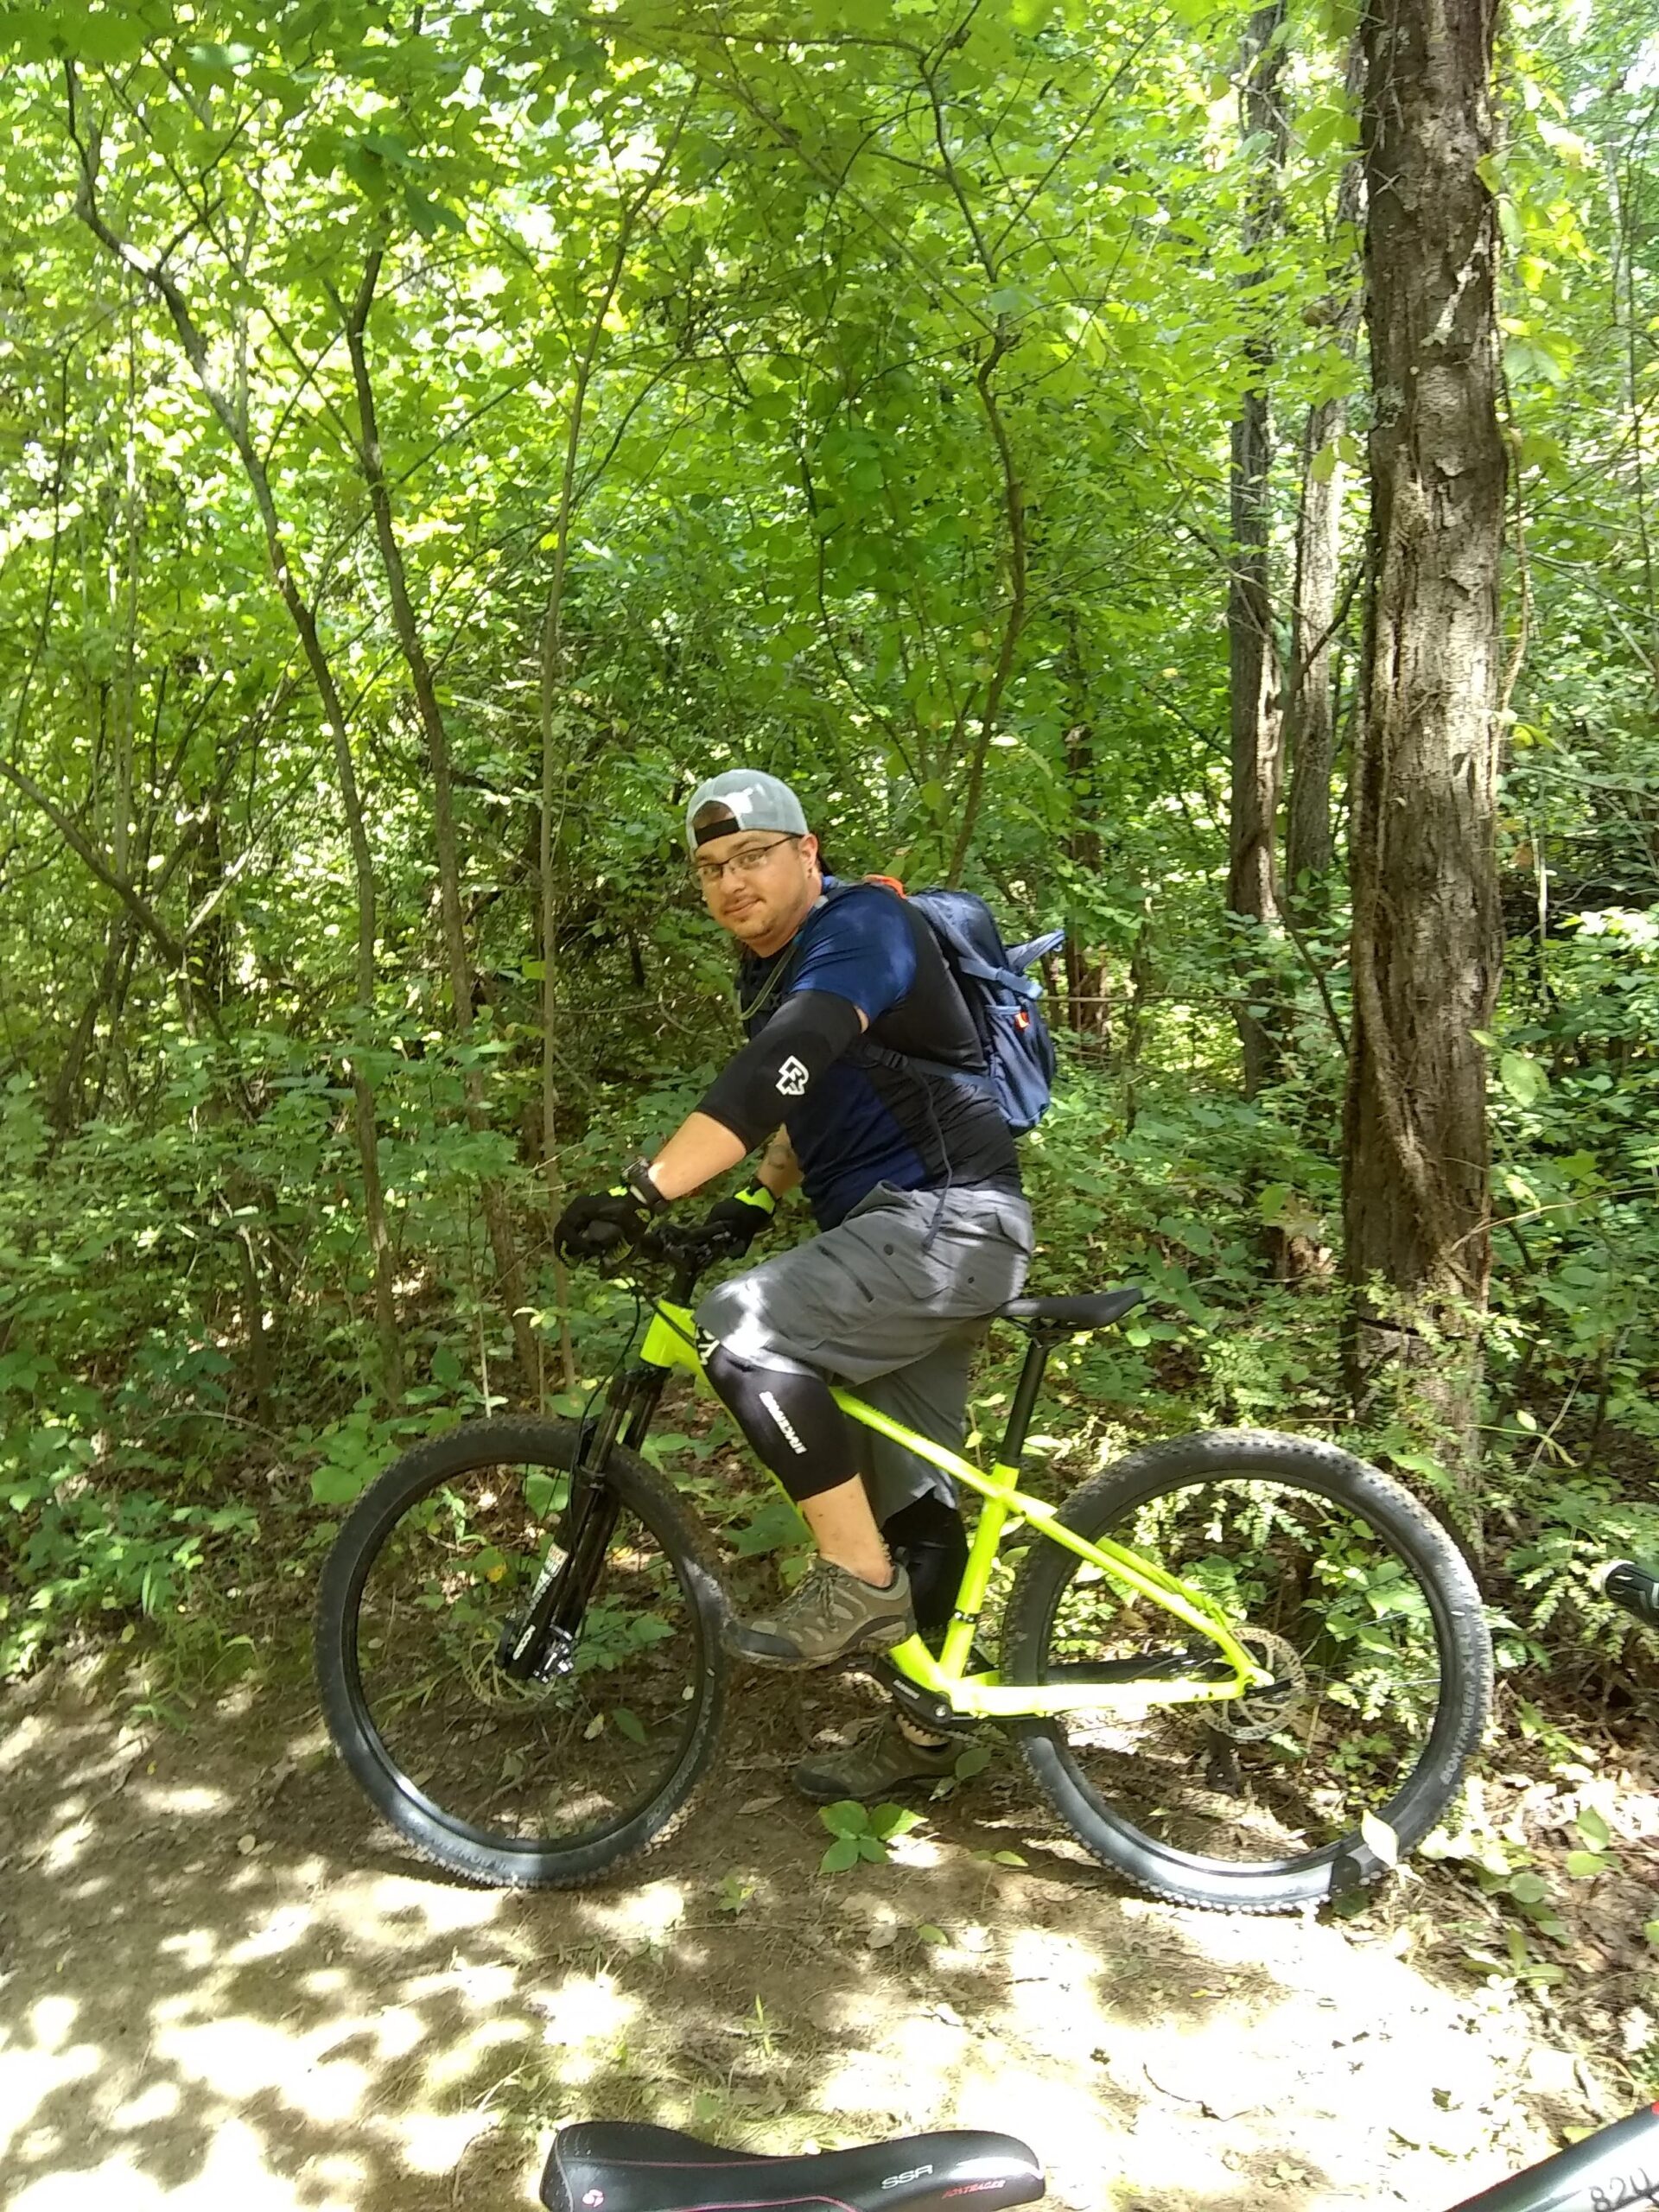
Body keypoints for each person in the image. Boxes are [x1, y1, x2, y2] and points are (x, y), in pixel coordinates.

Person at [554, 769, 1033, 1800]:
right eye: (712, 868)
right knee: (906, 1494)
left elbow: (786, 1061)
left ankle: (855, 1586)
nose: (731, 883)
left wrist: (643, 1189)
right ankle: (925, 1738)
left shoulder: (866, 928)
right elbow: (820, 1099)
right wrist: (757, 1202)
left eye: (753, 856)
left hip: (942, 1224)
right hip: (915, 1234)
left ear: (808, 853)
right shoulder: (788, 964)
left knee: (743, 1326)